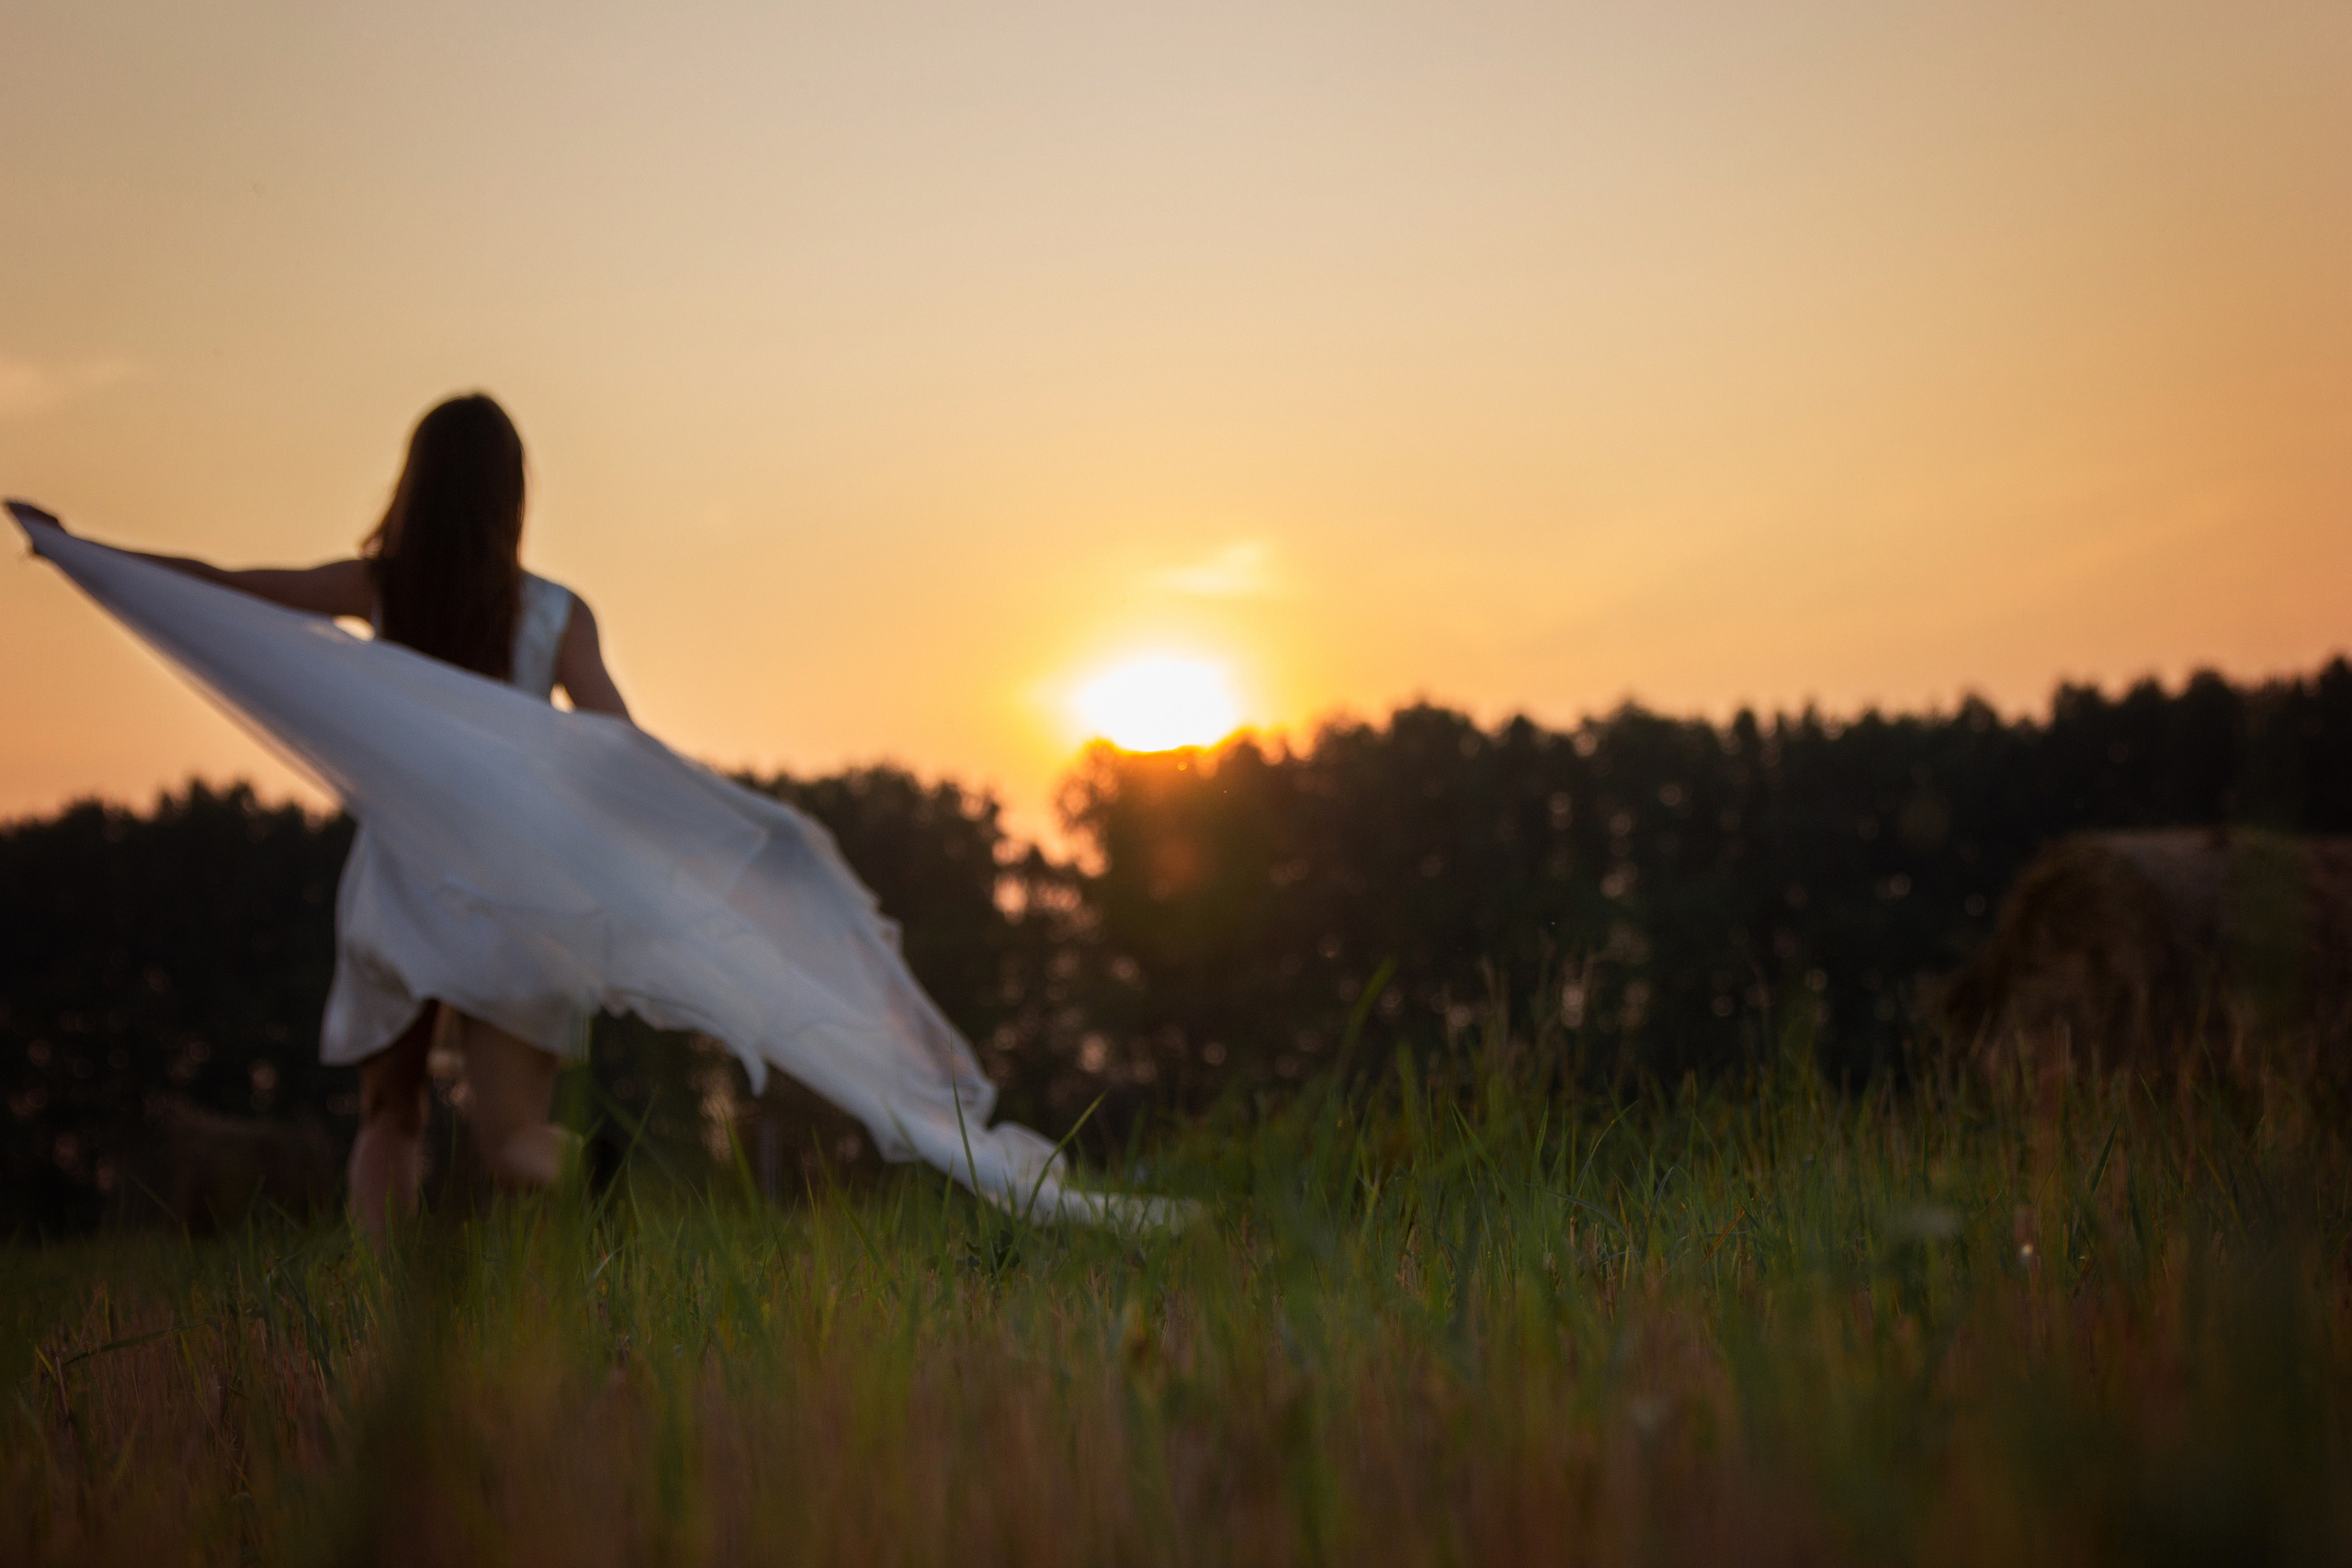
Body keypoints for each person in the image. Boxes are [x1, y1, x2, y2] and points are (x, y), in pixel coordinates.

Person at [14, 394, 629, 1236]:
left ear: (418, 485)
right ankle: (590, 1164)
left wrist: (80, 549)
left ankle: (376, 1303)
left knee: (391, 1114)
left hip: (406, 890)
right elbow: (620, 744)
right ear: (511, 496)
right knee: (514, 1140)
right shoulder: (559, 614)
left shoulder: (379, 589)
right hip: (519, 898)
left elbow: (225, 590)